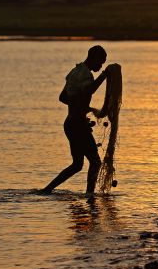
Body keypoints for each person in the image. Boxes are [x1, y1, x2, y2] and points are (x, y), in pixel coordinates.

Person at [40, 45, 108, 195]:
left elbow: (63, 97)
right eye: (100, 62)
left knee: (77, 165)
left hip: (70, 124)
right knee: (95, 162)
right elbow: (88, 90)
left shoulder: (75, 72)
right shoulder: (86, 75)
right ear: (93, 58)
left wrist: (84, 108)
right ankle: (90, 195)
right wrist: (103, 76)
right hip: (77, 126)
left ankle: (46, 190)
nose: (100, 66)